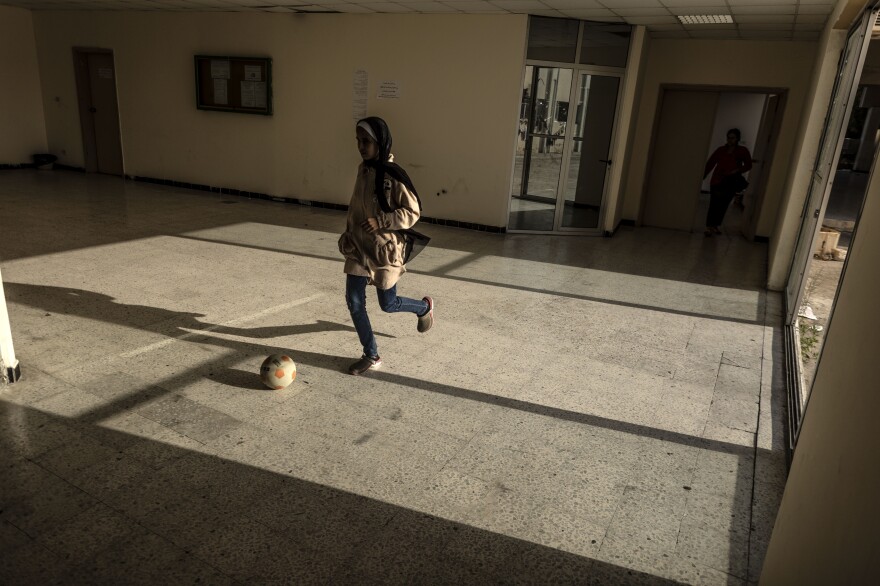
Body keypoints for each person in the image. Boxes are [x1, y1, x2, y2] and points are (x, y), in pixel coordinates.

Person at [338, 116, 434, 376]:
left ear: (380, 142)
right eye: (358, 140)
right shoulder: (363, 168)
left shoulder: (393, 175)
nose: (361, 146)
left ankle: (424, 307)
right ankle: (371, 354)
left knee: (388, 304)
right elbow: (356, 206)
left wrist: (382, 221)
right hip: (359, 248)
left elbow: (413, 212)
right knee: (354, 301)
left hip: (384, 250)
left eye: (366, 141)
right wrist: (349, 233)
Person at [702, 128, 753, 236]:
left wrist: (738, 170)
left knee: (723, 205)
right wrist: (703, 175)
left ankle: (715, 226)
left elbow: (749, 165)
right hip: (717, 180)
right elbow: (711, 162)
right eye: (728, 138)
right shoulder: (721, 150)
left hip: (731, 182)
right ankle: (709, 226)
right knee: (714, 204)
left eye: (732, 138)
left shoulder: (742, 151)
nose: (730, 140)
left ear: (737, 138)